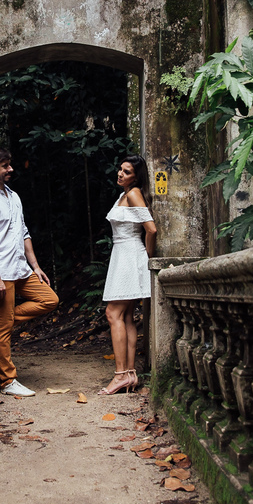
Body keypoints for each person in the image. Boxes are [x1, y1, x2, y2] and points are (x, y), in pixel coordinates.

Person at [0, 146, 59, 397]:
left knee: (49, 299)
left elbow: (24, 233)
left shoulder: (14, 196)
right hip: (1, 273)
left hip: (20, 268)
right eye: (5, 166)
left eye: (10, 165)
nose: (11, 169)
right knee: (4, 327)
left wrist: (36, 267)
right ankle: (8, 381)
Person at [99, 154, 157, 395]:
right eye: (120, 169)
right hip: (124, 255)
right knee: (127, 317)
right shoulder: (125, 194)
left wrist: (147, 257)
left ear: (136, 176)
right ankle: (130, 373)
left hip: (130, 255)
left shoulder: (133, 194)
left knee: (113, 313)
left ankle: (120, 375)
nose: (120, 174)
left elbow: (151, 229)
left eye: (127, 171)